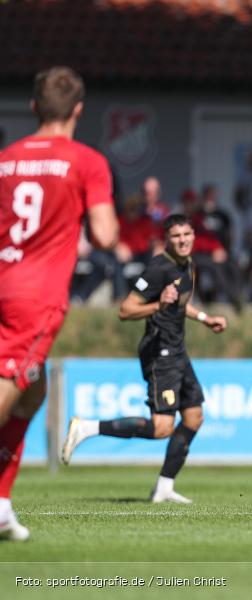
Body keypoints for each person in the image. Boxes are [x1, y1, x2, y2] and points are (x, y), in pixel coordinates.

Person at [0, 67, 118, 541]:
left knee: (33, 392)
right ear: (78, 111)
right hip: (36, 294)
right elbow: (107, 234)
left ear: (33, 108)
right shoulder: (85, 161)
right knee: (12, 383)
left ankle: (2, 505)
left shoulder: (6, 159)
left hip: (3, 279)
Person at [60, 214, 227, 504]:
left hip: (177, 350)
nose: (183, 240)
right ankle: (87, 427)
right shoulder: (157, 269)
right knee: (162, 427)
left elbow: (181, 304)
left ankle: (164, 487)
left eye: (187, 234)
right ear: (166, 239)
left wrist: (205, 317)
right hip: (159, 351)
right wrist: (157, 304)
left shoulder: (187, 264)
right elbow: (125, 310)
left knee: (194, 416)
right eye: (176, 236)